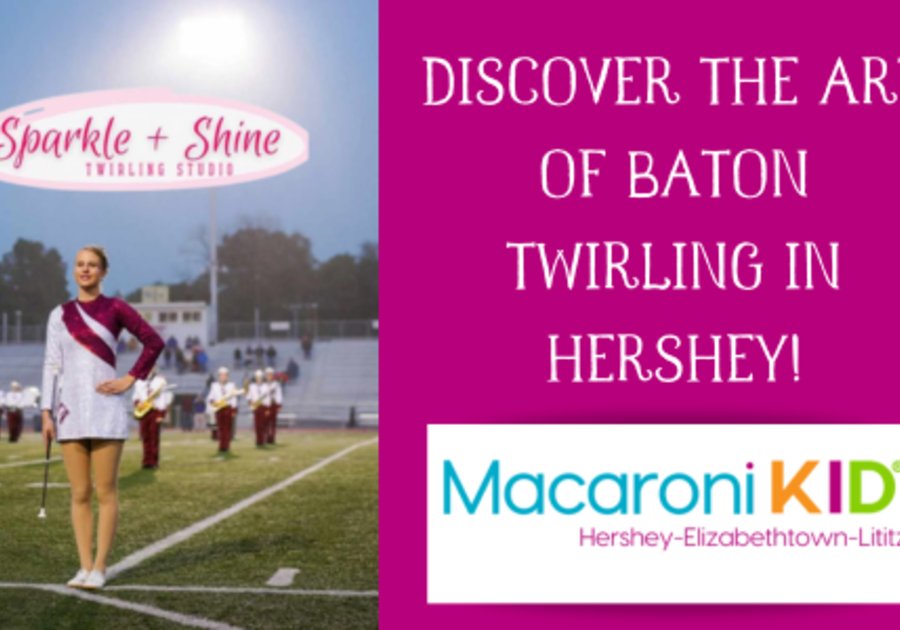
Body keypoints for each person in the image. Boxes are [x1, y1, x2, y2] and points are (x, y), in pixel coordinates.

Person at [41, 245, 164, 591]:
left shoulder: (116, 308)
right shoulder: (59, 314)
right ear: (74, 270)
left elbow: (154, 342)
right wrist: (47, 412)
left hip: (106, 408)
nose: (85, 270)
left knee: (105, 491)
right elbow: (52, 364)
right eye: (80, 265)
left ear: (104, 272)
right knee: (79, 492)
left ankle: (100, 567)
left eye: (92, 265)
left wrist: (130, 378)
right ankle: (83, 566)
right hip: (69, 411)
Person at [132, 367, 167, 470]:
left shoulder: (160, 381)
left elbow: (162, 398)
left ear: (155, 368)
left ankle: (153, 461)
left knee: (154, 437)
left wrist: (161, 414)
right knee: (145, 436)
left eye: (152, 366)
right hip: (144, 412)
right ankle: (146, 460)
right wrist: (138, 403)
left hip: (155, 411)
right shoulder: (139, 381)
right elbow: (135, 396)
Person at [206, 367, 240, 453]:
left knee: (227, 428)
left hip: (227, 408)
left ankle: (226, 446)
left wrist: (234, 410)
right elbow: (210, 397)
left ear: (227, 376)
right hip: (219, 409)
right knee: (220, 429)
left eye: (224, 375)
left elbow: (234, 399)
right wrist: (213, 402)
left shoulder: (231, 385)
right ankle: (221, 446)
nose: (223, 377)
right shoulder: (214, 385)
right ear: (219, 376)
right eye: (221, 375)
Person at [247, 370, 270, 447]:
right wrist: (251, 404)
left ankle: (262, 440)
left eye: (260, 377)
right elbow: (249, 397)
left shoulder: (266, 386)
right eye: (257, 378)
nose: (258, 379)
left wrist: (267, 409)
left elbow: (268, 398)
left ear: (262, 378)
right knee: (257, 425)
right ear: (255, 378)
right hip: (256, 407)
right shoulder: (252, 386)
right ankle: (258, 441)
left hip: (263, 406)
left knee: (263, 425)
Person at [265, 368, 283, 444]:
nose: (269, 376)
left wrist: (279, 405)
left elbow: (279, 395)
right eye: (268, 374)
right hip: (265, 405)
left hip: (273, 405)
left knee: (273, 423)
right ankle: (265, 437)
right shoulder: (263, 384)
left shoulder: (276, 384)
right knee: (265, 423)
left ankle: (272, 438)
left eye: (271, 374)